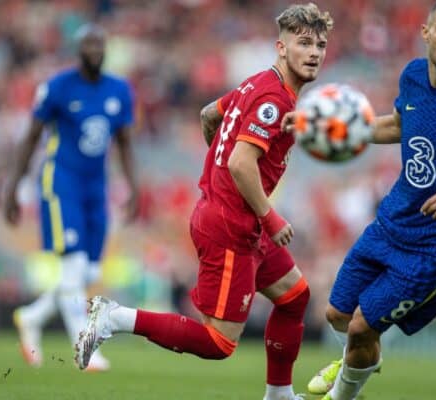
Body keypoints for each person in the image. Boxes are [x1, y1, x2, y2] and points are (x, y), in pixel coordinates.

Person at [75, 4, 332, 399]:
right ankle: (114, 317)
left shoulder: (257, 84)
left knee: (295, 297)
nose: (314, 52)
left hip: (234, 215)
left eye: (320, 44)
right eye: (304, 43)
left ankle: (279, 395)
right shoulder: (273, 99)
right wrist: (269, 215)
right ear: (282, 47)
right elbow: (241, 161)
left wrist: (220, 175)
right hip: (233, 226)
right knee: (219, 342)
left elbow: (209, 114)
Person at [286, 1, 436, 398]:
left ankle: (343, 393)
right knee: (336, 315)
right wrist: (320, 126)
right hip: (391, 224)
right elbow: (398, 126)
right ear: (426, 32)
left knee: (364, 326)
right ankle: (360, 359)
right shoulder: (413, 76)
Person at [4, 24, 138, 371]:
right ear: (77, 50)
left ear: (106, 49)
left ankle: (31, 317)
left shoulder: (119, 89)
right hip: (62, 181)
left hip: (96, 186)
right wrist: (13, 187)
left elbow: (124, 141)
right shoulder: (58, 87)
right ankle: (84, 345)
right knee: (74, 265)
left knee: (88, 269)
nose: (94, 50)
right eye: (88, 44)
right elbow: (31, 137)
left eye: (99, 44)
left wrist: (134, 186)